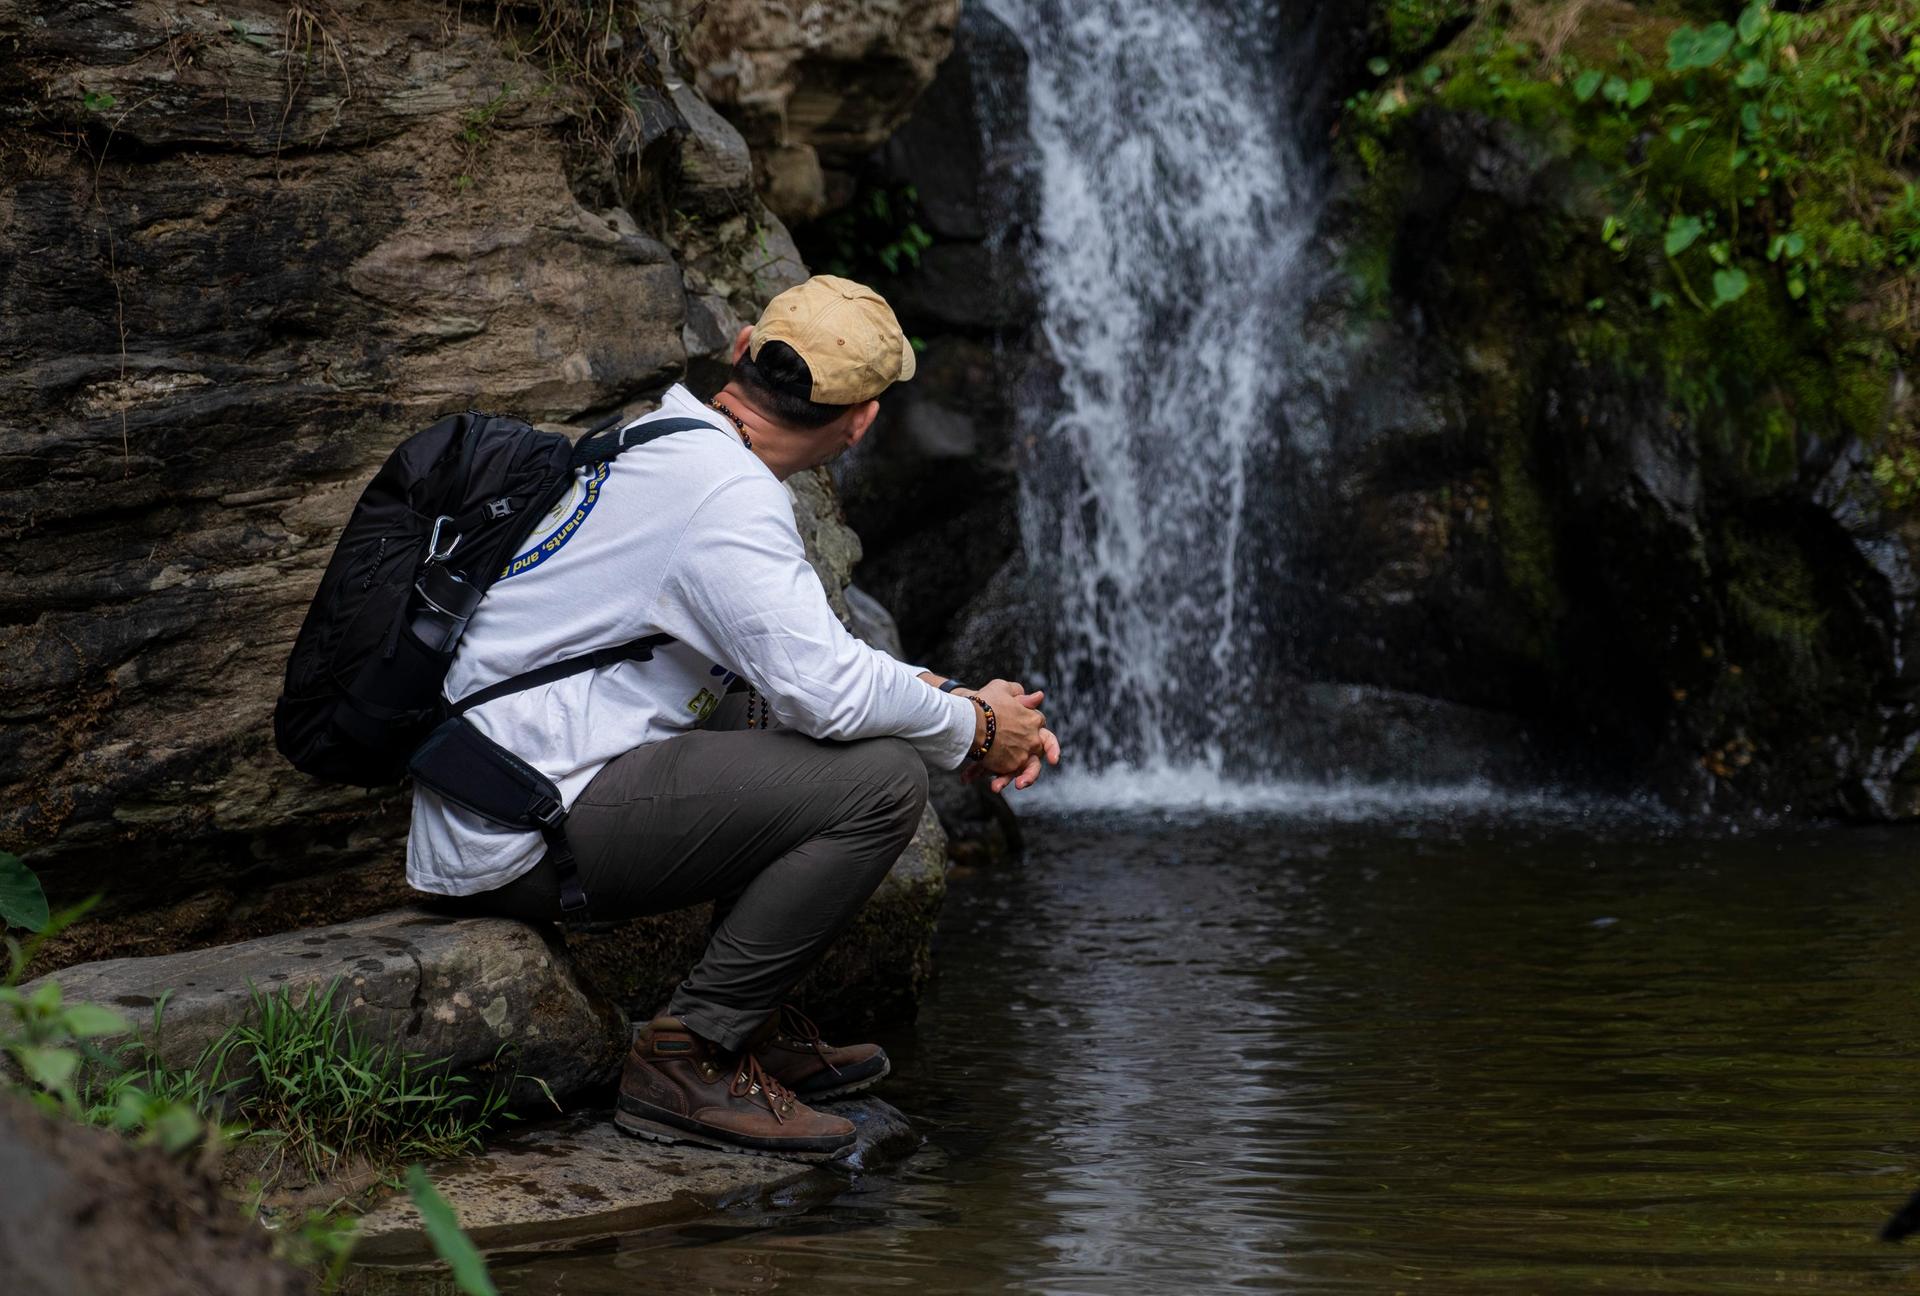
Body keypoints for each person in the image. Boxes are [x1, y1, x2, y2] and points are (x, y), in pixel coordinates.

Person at [405, 274, 1061, 1162]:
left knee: (771, 698)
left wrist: (960, 704)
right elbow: (831, 691)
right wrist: (976, 731)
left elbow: (807, 663)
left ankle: (748, 1020)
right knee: (881, 782)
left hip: (496, 794)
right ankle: (692, 1053)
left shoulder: (671, 437)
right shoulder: (727, 499)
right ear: (862, 420)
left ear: (745, 344)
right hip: (519, 831)